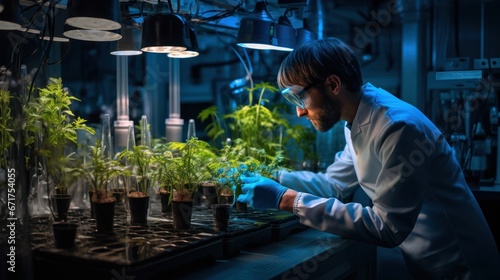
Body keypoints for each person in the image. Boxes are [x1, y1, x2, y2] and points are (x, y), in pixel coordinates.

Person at [237, 37, 500, 279]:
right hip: (427, 261)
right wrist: (274, 177)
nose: (299, 112)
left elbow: (388, 227)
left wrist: (287, 199)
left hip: (461, 265)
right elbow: (334, 185)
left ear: (333, 85)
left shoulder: (398, 127)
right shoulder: (356, 118)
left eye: (300, 96)